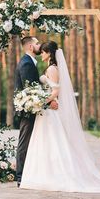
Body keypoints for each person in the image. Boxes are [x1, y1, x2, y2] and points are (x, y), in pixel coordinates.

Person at [20, 40, 100, 193]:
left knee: (53, 143)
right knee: (48, 143)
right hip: (48, 111)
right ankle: (45, 173)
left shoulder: (52, 69)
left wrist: (40, 101)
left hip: (50, 111)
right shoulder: (52, 68)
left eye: (43, 51)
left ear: (48, 53)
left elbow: (56, 92)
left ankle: (54, 175)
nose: (41, 54)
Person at [14, 36, 58, 187]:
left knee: (34, 142)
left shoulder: (31, 63)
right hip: (29, 110)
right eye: (38, 43)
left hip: (35, 109)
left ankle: (32, 173)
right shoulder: (26, 64)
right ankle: (20, 176)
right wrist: (50, 99)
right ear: (31, 47)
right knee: (25, 143)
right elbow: (31, 91)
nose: (40, 45)